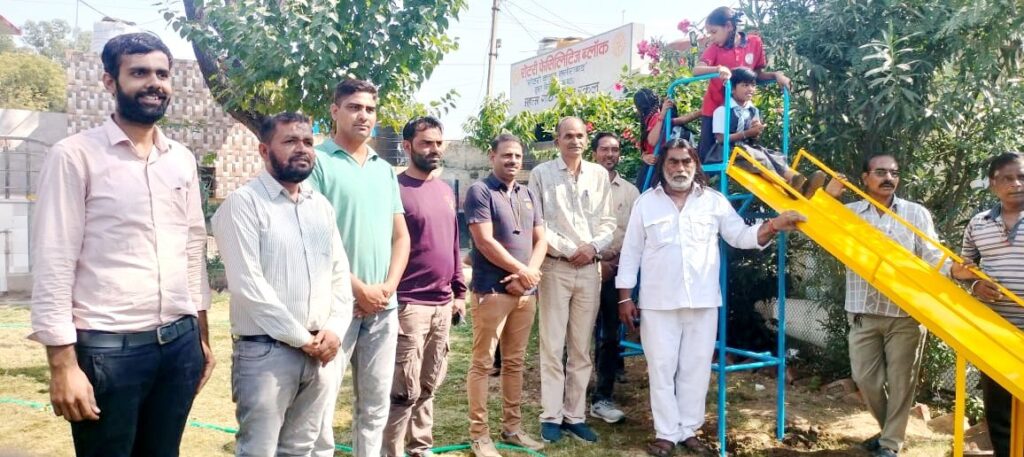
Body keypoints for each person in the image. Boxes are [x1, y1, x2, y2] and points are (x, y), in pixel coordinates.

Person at [29, 33, 214, 457]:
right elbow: (54, 259)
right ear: (110, 81)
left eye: (162, 74)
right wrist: (62, 364)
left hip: (179, 346)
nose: (154, 83)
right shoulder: (75, 155)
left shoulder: (181, 160)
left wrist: (201, 338)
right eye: (139, 73)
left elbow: (192, 249)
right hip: (109, 351)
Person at [615, 138, 804, 456]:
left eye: (686, 161)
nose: (680, 168)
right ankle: (666, 433)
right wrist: (624, 298)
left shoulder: (713, 201)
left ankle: (688, 430)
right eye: (673, 161)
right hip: (658, 303)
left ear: (695, 165)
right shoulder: (646, 203)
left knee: (697, 368)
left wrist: (774, 225)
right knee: (661, 368)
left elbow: (740, 236)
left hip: (703, 303)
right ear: (663, 166)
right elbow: (631, 252)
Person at [212, 113, 351, 456]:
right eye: (290, 141)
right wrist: (303, 340)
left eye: (308, 141)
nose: (302, 148)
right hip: (266, 354)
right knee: (258, 450)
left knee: (301, 449)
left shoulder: (320, 206)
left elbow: (339, 275)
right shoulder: (243, 204)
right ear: (264, 150)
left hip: (321, 350)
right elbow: (249, 287)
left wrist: (335, 330)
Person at [308, 78, 411, 457]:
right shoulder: (318, 162)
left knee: (375, 404)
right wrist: (358, 290)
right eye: (354, 107)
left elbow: (401, 237)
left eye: (369, 109)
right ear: (335, 111)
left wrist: (386, 288)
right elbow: (314, 240)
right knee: (321, 401)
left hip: (383, 308)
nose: (363, 115)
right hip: (337, 308)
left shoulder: (384, 169)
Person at [844, 154, 944, 457]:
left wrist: (955, 271)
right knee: (865, 379)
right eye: (880, 172)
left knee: (902, 382)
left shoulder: (915, 213)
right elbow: (810, 221)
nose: (889, 178)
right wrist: (829, 196)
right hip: (862, 310)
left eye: (894, 173)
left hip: (905, 313)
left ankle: (890, 444)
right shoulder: (847, 213)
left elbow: (931, 254)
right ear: (864, 178)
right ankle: (889, 430)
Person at [382, 116, 467, 457]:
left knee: (430, 383)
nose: (434, 149)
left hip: (443, 303)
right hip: (409, 302)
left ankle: (420, 447)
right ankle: (390, 451)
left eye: (438, 143)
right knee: (403, 388)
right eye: (426, 143)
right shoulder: (395, 189)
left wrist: (459, 292)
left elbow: (454, 244)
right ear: (407, 147)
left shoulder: (445, 190)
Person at [528, 116, 616, 443]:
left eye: (579, 135)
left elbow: (609, 222)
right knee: (552, 345)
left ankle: (575, 415)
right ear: (557, 141)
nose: (574, 141)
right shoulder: (541, 174)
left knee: (582, 347)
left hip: (589, 270)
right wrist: (569, 250)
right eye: (568, 136)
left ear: (586, 140)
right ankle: (551, 415)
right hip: (556, 267)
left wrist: (591, 248)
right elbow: (538, 223)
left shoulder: (598, 174)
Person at [464, 134, 547, 457]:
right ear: (492, 156)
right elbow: (484, 242)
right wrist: (522, 271)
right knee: (483, 364)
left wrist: (529, 275)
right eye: (506, 155)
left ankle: (512, 429)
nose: (513, 161)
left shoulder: (528, 194)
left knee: (514, 363)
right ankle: (479, 435)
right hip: (491, 292)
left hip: (526, 293)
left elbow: (541, 239)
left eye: (517, 156)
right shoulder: (480, 191)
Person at [951, 152, 1024, 457]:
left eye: (1021, 177)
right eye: (1008, 178)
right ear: (993, 183)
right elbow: (963, 268)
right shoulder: (978, 223)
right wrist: (975, 285)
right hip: (993, 331)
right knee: (999, 408)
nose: (1016, 184)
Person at [710, 67, 828, 198]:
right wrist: (748, 133)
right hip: (727, 151)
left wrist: (756, 131)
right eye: (745, 85)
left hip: (748, 147)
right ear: (732, 89)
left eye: (753, 85)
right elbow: (721, 139)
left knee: (773, 157)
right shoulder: (722, 110)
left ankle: (801, 183)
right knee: (759, 159)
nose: (750, 89)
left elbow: (753, 137)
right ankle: (786, 185)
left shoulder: (752, 110)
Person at [693, 6, 790, 164]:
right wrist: (718, 69)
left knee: (748, 153)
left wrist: (776, 75)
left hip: (741, 109)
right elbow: (697, 70)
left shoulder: (754, 42)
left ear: (729, 26)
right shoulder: (715, 48)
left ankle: (784, 173)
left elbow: (756, 75)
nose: (711, 37)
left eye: (714, 32)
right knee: (708, 157)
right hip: (715, 108)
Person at [588, 132, 640, 424]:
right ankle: (572, 394)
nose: (610, 154)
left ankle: (603, 397)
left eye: (615, 149)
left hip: (615, 273)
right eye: (604, 149)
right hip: (583, 271)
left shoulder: (630, 192)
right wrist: (596, 262)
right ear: (594, 152)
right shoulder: (581, 186)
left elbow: (635, 237)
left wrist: (613, 264)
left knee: (610, 336)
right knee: (577, 336)